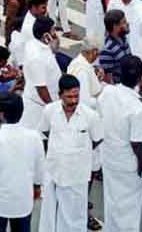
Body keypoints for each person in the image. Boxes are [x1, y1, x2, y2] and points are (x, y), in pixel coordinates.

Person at [38, 74, 104, 232]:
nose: (73, 100)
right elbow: (44, 132)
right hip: (54, 171)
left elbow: (97, 139)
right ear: (59, 95)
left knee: (75, 217)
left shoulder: (90, 115)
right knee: (49, 214)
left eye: (76, 96)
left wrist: (78, 154)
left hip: (77, 175)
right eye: (69, 96)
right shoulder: (50, 111)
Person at [0, 91, 45, 232]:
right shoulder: (34, 137)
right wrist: (36, 187)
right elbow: (39, 168)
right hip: (22, 202)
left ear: (1, 114)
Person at [98, 56, 142, 232]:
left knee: (112, 200)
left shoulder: (107, 93)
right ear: (140, 78)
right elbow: (136, 142)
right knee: (130, 207)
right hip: (128, 163)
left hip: (109, 156)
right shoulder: (137, 108)